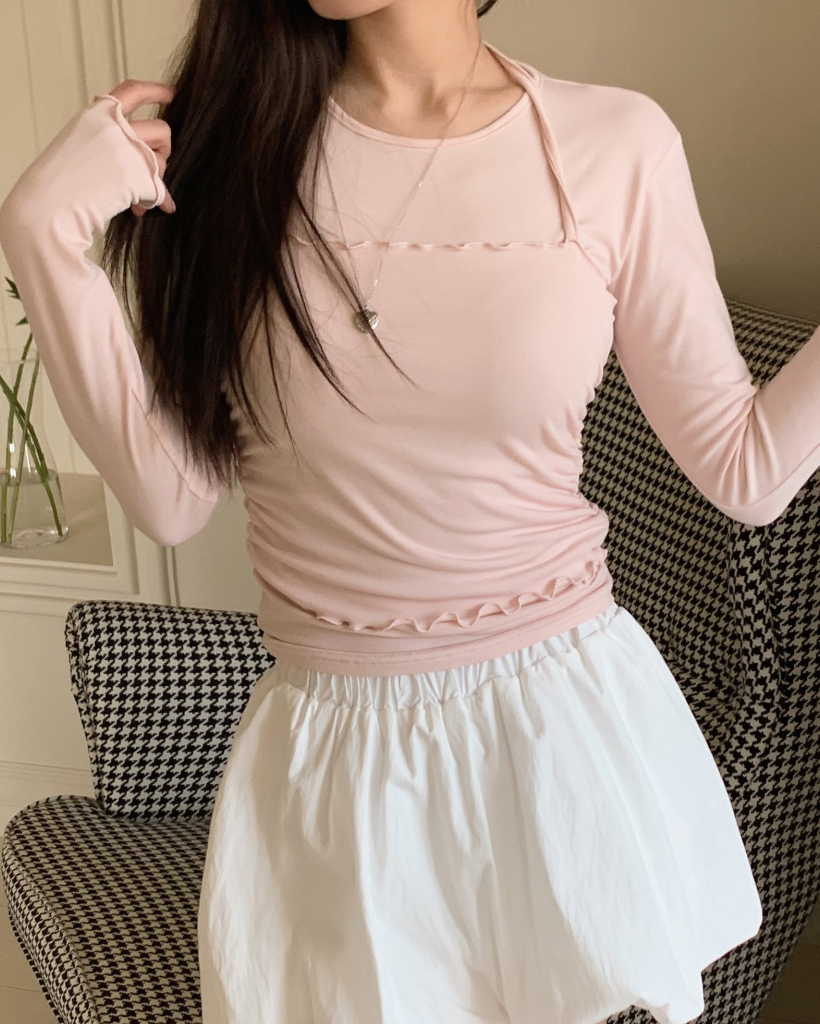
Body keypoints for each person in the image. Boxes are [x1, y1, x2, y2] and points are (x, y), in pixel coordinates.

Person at [10, 0, 820, 1019]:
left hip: (565, 741)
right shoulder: (228, 153)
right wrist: (40, 232)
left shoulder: (613, 145)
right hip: (338, 773)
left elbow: (747, 469)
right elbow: (171, 498)